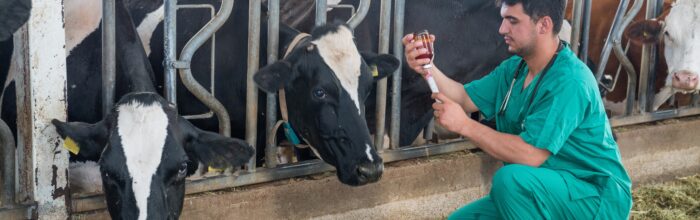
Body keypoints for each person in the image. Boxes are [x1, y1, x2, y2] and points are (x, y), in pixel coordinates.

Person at [402, 0, 632, 219]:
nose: (502, 29)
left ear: (544, 24)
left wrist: (465, 125)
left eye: (512, 21)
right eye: (503, 19)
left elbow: (531, 154)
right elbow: (463, 97)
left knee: (510, 181)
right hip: (544, 189)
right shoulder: (515, 69)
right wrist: (427, 67)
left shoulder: (570, 80)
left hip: (594, 196)